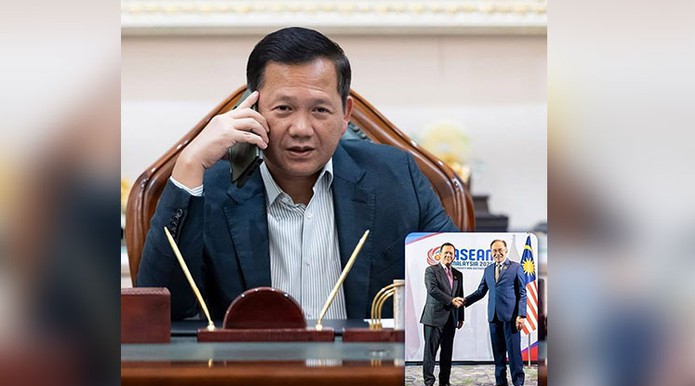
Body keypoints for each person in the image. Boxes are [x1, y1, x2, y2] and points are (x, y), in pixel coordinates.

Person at [136, 27, 458, 321]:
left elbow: (457, 283)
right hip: (249, 367)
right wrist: (189, 164)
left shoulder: (395, 178)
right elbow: (159, 314)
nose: (301, 129)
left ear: (345, 114)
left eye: (319, 110)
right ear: (253, 110)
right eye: (283, 108)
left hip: (366, 366)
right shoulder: (211, 191)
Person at [464, 239, 527, 386]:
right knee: (498, 352)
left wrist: (521, 315)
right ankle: (501, 383)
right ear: (491, 252)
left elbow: (522, 293)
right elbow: (480, 291)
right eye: (494, 251)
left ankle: (518, 383)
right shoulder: (488, 270)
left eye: (500, 250)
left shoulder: (516, 267)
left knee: (513, 352)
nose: (497, 253)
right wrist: (465, 301)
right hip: (493, 317)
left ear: (506, 251)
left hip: (511, 318)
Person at [419, 243, 464, 386]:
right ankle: (428, 383)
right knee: (430, 352)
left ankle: (444, 382)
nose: (448, 255)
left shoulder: (458, 274)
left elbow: (460, 295)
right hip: (433, 317)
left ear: (454, 256)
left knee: (447, 352)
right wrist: (450, 300)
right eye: (446, 253)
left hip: (451, 318)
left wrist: (461, 316)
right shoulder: (431, 270)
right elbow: (432, 289)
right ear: (440, 254)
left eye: (451, 253)